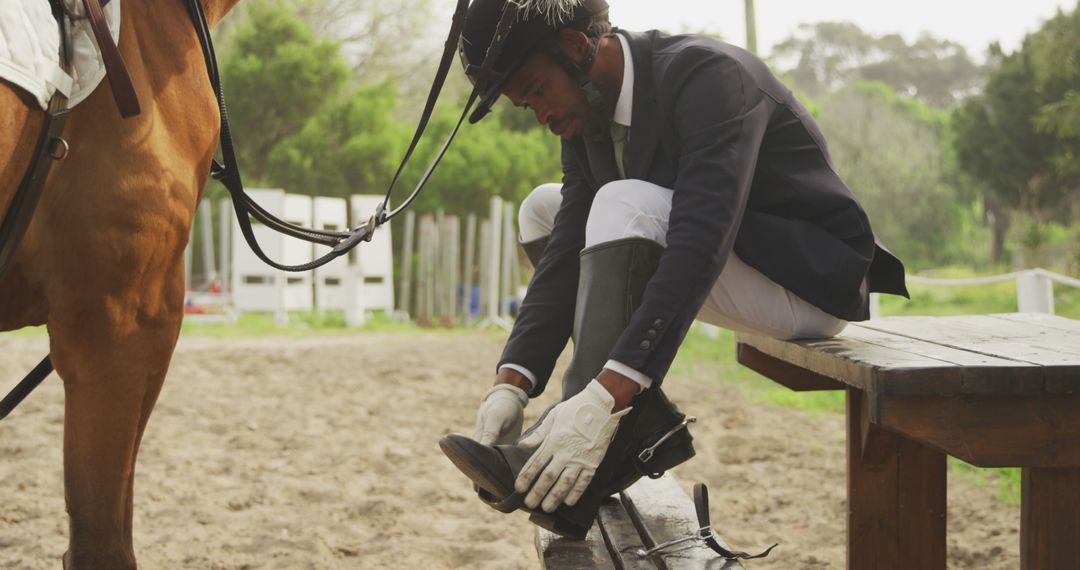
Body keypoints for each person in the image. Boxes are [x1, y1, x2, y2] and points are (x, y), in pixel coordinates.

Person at [440, 0, 908, 538]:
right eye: (526, 107)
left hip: (805, 286)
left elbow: (700, 241)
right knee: (542, 209)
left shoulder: (711, 77)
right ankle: (627, 420)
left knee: (622, 201)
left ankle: (595, 432)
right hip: (725, 266)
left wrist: (602, 399)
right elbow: (568, 242)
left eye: (538, 91)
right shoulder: (585, 115)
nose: (541, 117)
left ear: (575, 47)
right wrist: (512, 381)